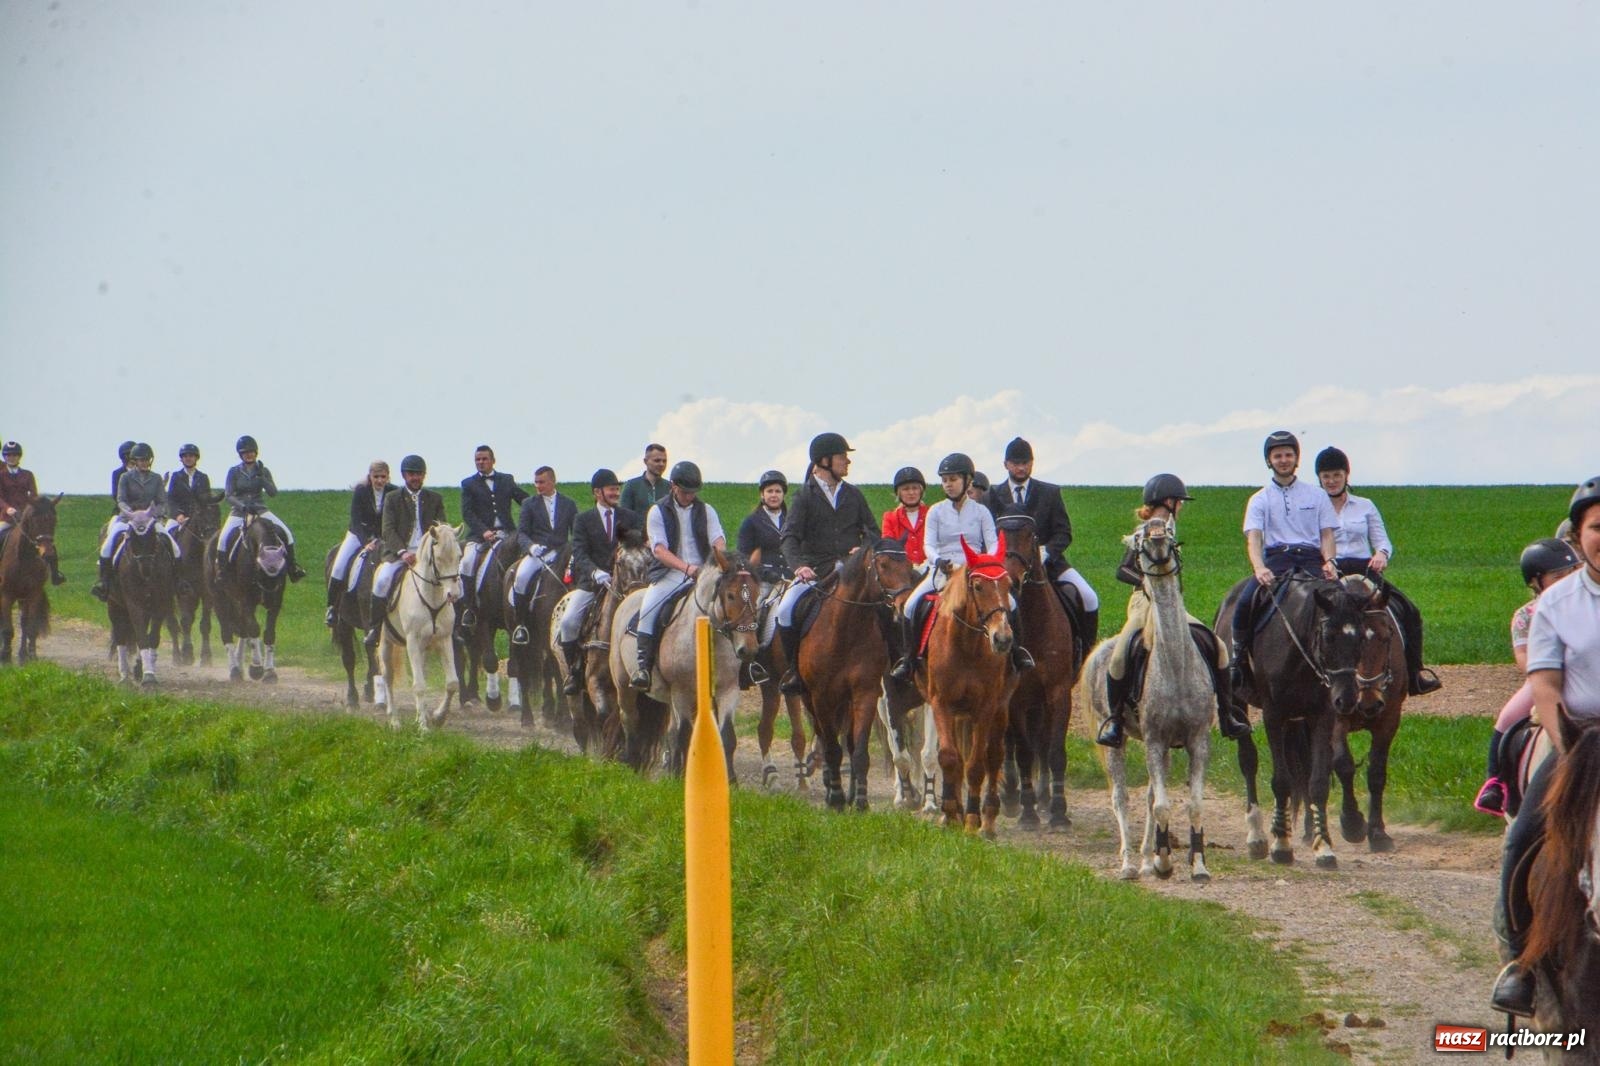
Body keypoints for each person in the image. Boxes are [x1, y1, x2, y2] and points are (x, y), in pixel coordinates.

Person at [1490, 476, 1600, 1016]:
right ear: (1579, 536)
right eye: (1597, 526)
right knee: (1525, 833)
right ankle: (1520, 964)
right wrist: (1568, 746)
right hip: (1578, 737)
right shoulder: (1554, 605)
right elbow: (1546, 686)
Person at [1098, 474, 1249, 748]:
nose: (1181, 507)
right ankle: (1115, 720)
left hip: (1172, 604)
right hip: (1143, 602)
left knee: (1217, 645)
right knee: (1120, 654)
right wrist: (1146, 579)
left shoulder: (1172, 530)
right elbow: (1122, 570)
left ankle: (1227, 714)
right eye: (1179, 502)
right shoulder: (1144, 530)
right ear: (1168, 502)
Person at [891, 452, 1032, 680]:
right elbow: (929, 543)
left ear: (968, 481)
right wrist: (938, 560)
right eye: (945, 480)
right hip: (943, 570)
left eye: (953, 479)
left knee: (1012, 604)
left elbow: (994, 542)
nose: (948, 484)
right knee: (910, 606)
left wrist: (989, 561)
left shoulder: (981, 511)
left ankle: (1017, 653)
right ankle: (909, 660)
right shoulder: (936, 511)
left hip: (975, 570)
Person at [1315, 446, 1441, 695]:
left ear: (1346, 475)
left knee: (1410, 611)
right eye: (1326, 476)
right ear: (1319, 478)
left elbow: (1382, 541)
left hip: (1365, 571)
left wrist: (1382, 555)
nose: (1331, 481)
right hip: (1330, 573)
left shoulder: (1365, 506)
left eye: (1336, 475)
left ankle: (1415, 674)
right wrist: (1324, 563)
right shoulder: (1314, 507)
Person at [1472, 537, 1582, 816]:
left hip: (1587, 676)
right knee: (1507, 719)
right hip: (1544, 680)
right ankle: (1496, 783)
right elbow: (1524, 659)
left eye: (1572, 573)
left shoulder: (1587, 605)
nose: (1567, 580)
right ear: (1536, 581)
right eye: (1558, 576)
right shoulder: (1525, 616)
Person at [1228, 430, 1340, 688]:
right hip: (1277, 560)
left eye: (1288, 454)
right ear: (1269, 461)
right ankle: (1238, 660)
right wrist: (1259, 568)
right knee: (1245, 602)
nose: (1283, 460)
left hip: (1312, 560)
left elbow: (1327, 535)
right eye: (1277, 456)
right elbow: (1254, 538)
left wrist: (1330, 562)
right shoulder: (1259, 499)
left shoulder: (1317, 495)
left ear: (1297, 458)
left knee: (1343, 603)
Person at [772, 433, 879, 694]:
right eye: (843, 456)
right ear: (824, 460)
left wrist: (863, 548)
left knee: (887, 605)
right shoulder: (803, 497)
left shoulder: (853, 495)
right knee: (785, 610)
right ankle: (795, 672)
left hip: (852, 573)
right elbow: (789, 538)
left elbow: (874, 532)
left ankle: (896, 663)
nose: (847, 462)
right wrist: (799, 566)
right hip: (816, 573)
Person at [992, 436, 1100, 650]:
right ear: (1006, 465)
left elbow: (1063, 532)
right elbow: (988, 535)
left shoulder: (1050, 493)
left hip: (1050, 564)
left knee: (1089, 597)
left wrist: (1047, 552)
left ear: (1032, 463)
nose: (1021, 468)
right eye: (1016, 463)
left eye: (1026, 462)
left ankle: (1086, 652)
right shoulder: (993, 495)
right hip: (1007, 567)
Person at [629, 460, 727, 689]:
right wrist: (686, 568)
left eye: (693, 493)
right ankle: (643, 666)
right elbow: (660, 550)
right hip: (671, 572)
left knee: (732, 604)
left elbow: (718, 540)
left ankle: (740, 665)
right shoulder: (657, 511)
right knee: (648, 608)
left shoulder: (707, 510)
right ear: (673, 486)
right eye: (684, 492)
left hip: (705, 572)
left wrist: (717, 560)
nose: (689, 497)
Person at [556, 469, 639, 694]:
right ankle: (574, 672)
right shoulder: (583, 520)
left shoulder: (629, 517)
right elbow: (580, 552)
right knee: (568, 622)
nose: (615, 492)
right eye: (611, 489)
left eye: (616, 488)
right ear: (597, 492)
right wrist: (596, 573)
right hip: (592, 584)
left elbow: (637, 547)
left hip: (626, 584)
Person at [364, 455, 448, 649]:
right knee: (383, 579)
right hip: (400, 553)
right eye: (411, 474)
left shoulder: (434, 498)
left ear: (424, 475)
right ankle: (375, 629)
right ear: (403, 475)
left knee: (451, 581)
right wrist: (402, 552)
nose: (415, 478)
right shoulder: (392, 498)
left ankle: (455, 629)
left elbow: (441, 527)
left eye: (419, 474)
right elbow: (388, 530)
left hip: (427, 555)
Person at [92, 443, 181, 600]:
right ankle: (104, 582)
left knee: (173, 545)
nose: (144, 463)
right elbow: (121, 499)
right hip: (128, 518)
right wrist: (131, 513)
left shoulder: (156, 478)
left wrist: (154, 513)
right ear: (135, 461)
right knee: (108, 544)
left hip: (150, 520)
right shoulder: (125, 477)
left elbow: (162, 501)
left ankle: (178, 581)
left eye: (147, 460)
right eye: (141, 460)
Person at [458, 444, 528, 630]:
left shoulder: (506, 479)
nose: (481, 462)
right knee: (467, 562)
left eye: (484, 459)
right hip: (481, 536)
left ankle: (526, 609)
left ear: (493, 460)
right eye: (477, 460)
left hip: (507, 533)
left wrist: (537, 506)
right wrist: (483, 531)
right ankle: (470, 608)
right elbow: (468, 513)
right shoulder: (468, 483)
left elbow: (523, 499)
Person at [218, 435, 304, 581]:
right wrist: (243, 506)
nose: (249, 455)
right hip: (239, 512)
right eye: (245, 452)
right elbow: (229, 495)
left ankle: (292, 568)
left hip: (260, 510)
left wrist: (262, 478)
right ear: (241, 455)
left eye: (251, 452)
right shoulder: (234, 471)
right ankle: (222, 571)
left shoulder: (264, 471)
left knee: (286, 532)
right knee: (223, 538)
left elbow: (273, 493)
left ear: (256, 453)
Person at [508, 466, 578, 645]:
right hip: (538, 553)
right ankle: (521, 624)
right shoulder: (529, 504)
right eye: (536, 482)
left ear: (552, 481)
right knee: (521, 577)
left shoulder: (568, 504)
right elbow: (522, 533)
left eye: (542, 482)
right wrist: (531, 547)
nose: (538, 486)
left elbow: (576, 532)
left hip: (561, 551)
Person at [325, 460, 397, 626]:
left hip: (382, 536)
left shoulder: (393, 492)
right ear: (370, 476)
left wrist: (383, 538)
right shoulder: (361, 491)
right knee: (339, 566)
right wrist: (366, 542)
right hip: (358, 534)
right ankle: (332, 608)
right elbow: (356, 520)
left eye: (383, 477)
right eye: (376, 477)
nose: (379, 481)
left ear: (388, 477)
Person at [0, 441, 62, 586]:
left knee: (46, 540)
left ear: (19, 456)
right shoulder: (1, 475)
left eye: (14, 455)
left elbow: (33, 495)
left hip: (26, 517)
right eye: (9, 455)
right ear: (5, 457)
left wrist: (31, 509)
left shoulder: (28, 475)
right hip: (7, 518)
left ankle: (55, 573)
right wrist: (7, 508)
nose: (12, 458)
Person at [737, 470, 790, 584]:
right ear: (762, 494)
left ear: (783, 494)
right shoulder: (751, 522)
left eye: (778, 491)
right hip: (763, 581)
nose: (774, 495)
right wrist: (766, 574)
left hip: (791, 579)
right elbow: (744, 557)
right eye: (769, 491)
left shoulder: (792, 520)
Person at [880, 466, 929, 566]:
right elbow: (888, 546)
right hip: (903, 571)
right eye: (905, 489)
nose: (911, 493)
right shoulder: (890, 518)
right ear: (899, 493)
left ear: (921, 491)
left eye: (915, 488)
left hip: (930, 567)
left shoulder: (931, 514)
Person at [165, 443, 219, 533]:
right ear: (181, 459)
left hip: (198, 517)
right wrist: (178, 515)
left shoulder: (203, 477)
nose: (188, 458)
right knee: (166, 535)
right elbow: (171, 500)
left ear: (196, 458)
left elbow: (206, 499)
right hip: (179, 518)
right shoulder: (176, 476)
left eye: (191, 456)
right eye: (185, 456)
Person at [620, 443, 671, 515]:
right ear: (645, 461)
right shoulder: (631, 486)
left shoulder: (670, 488)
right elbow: (623, 516)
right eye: (657, 460)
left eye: (664, 461)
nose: (661, 464)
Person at [110, 440, 135, 510]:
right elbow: (116, 495)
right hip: (123, 510)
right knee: (115, 520)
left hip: (143, 510)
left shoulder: (144, 472)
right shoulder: (117, 473)